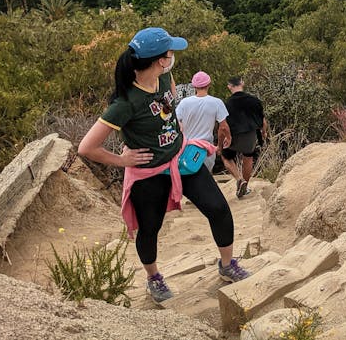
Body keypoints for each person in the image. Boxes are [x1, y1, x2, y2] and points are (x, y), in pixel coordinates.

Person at [77, 28, 249, 305]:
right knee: (150, 228)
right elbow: (86, 147)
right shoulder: (125, 102)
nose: (173, 57)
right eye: (170, 53)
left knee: (218, 208)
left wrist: (177, 129)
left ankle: (227, 264)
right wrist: (123, 160)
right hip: (149, 172)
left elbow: (170, 108)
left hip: (180, 159)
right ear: (159, 59)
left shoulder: (165, 77)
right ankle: (153, 277)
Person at [176, 71, 231, 173]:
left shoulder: (184, 103)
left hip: (186, 148)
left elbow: (175, 121)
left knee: (187, 177)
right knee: (206, 178)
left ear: (194, 86)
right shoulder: (216, 102)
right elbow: (223, 127)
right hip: (205, 149)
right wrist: (225, 141)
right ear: (209, 85)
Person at [223, 76, 268, 199]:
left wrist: (225, 138)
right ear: (242, 83)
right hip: (250, 135)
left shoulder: (227, 103)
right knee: (248, 158)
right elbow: (263, 120)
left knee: (226, 157)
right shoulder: (254, 100)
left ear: (229, 86)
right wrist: (264, 133)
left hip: (233, 136)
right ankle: (245, 186)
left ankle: (239, 179)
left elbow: (224, 124)